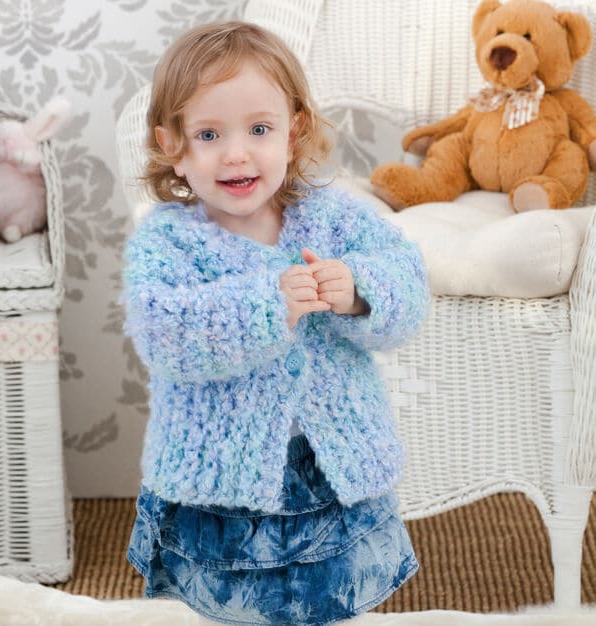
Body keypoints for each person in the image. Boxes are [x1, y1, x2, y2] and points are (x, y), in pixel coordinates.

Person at [122, 20, 430, 626]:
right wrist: (270, 305)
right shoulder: (168, 240)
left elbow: (409, 281)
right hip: (222, 480)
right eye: (209, 134)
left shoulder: (332, 217)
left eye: (259, 130)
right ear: (173, 148)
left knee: (333, 599)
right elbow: (166, 332)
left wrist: (359, 292)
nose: (237, 153)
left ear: (294, 132)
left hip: (329, 467)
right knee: (232, 607)